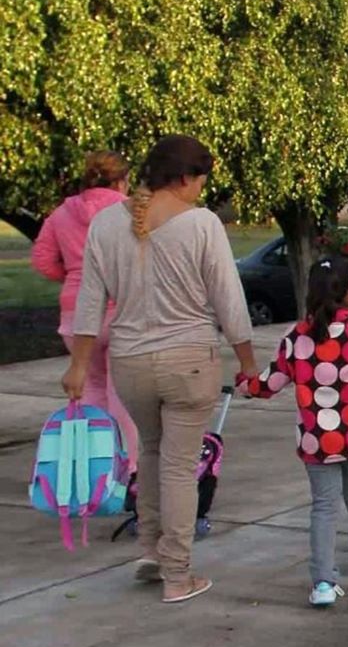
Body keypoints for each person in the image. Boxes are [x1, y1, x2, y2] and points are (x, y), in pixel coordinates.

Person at [62, 135, 257, 604]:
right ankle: (177, 573)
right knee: (178, 466)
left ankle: (149, 552)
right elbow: (229, 299)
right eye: (201, 181)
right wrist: (248, 361)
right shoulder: (202, 224)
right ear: (186, 178)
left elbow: (90, 300)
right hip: (188, 360)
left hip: (129, 362)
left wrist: (79, 365)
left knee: (148, 453)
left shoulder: (107, 223)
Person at [243, 256, 348, 607]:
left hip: (316, 440)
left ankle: (322, 583)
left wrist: (247, 385)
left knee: (323, 506)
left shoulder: (295, 340)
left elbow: (271, 383)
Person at [32, 151, 139, 477]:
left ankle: (96, 468)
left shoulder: (62, 213)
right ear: (122, 179)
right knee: (123, 398)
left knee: (92, 391)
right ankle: (130, 468)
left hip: (76, 315)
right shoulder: (129, 211)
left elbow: (42, 260)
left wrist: (72, 275)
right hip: (120, 312)